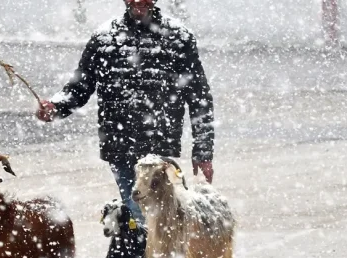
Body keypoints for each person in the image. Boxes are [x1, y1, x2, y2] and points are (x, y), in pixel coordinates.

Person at [36, 0, 215, 221]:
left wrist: (203, 152)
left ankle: (150, 251)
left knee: (154, 218)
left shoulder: (178, 37)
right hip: (119, 146)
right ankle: (144, 250)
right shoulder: (104, 37)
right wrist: (56, 107)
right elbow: (81, 86)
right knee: (138, 213)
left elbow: (199, 96)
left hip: (158, 146)